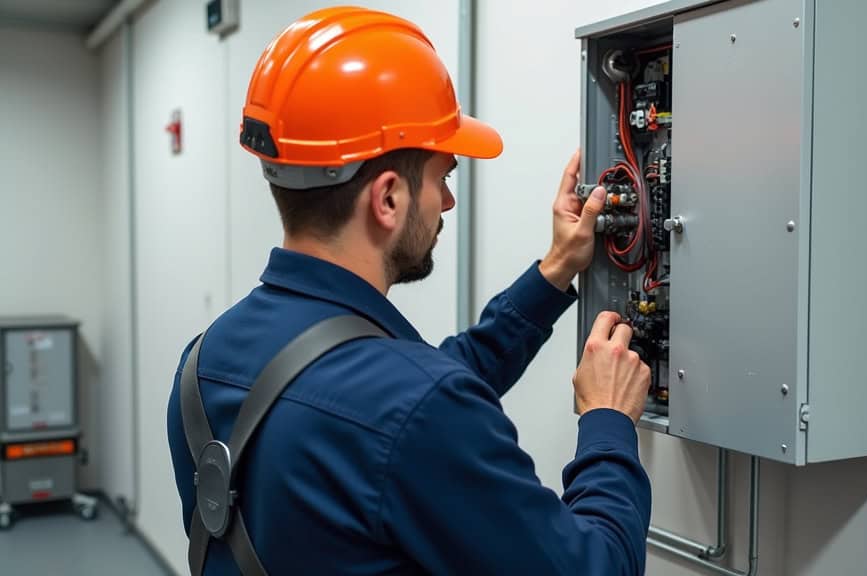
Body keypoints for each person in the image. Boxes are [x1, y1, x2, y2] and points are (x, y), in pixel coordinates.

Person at [167, 7, 652, 575]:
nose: (447, 201)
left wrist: (554, 271)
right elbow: (598, 567)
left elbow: (399, 404)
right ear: (388, 198)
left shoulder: (203, 363)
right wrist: (607, 419)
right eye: (442, 177)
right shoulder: (417, 406)